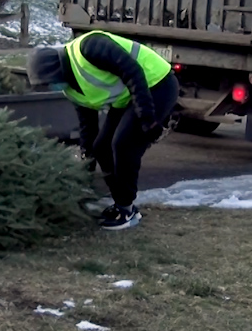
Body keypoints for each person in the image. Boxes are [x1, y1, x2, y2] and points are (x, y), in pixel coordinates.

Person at [27, 31, 179, 231]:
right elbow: (88, 129)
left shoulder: (89, 47)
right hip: (127, 97)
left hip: (156, 83)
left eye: (49, 82)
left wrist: (147, 120)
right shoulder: (71, 89)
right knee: (101, 147)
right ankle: (121, 204)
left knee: (123, 144)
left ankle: (127, 210)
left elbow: (132, 71)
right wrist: (84, 171)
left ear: (57, 70)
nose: (51, 87)